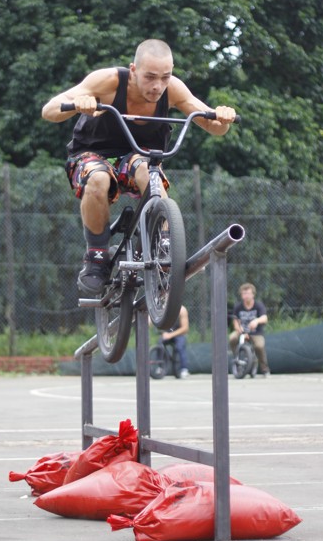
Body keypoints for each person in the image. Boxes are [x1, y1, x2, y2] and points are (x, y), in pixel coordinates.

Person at [41, 39, 238, 296]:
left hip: (138, 157)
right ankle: (96, 257)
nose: (157, 86)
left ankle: (164, 245)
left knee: (148, 171)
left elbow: (215, 127)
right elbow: (49, 110)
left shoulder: (173, 89)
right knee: (98, 179)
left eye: (165, 77)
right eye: (150, 77)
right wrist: (79, 103)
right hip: (92, 155)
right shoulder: (109, 81)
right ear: (133, 70)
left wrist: (222, 117)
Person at [230, 283, 271, 377]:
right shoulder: (238, 306)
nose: (246, 296)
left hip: (256, 333)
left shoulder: (258, 305)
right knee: (232, 338)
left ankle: (265, 369)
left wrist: (256, 321)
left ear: (253, 294)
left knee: (259, 346)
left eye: (248, 293)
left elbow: (265, 318)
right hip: (242, 332)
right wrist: (239, 329)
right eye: (244, 294)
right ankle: (237, 358)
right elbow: (235, 321)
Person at [156, 304, 190, 379]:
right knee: (159, 343)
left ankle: (184, 369)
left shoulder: (182, 310)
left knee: (180, 346)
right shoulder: (164, 309)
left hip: (179, 333)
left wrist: (171, 335)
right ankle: (160, 367)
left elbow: (185, 329)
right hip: (167, 333)